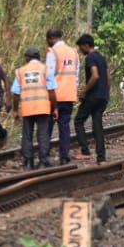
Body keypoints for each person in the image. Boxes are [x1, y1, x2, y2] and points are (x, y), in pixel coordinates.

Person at [11, 47, 53, 168]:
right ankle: (43, 162)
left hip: (27, 108)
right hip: (43, 107)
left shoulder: (21, 71)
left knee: (27, 135)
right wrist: (54, 107)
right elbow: (52, 92)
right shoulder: (46, 69)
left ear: (27, 58)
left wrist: (15, 110)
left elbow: (16, 93)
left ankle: (28, 162)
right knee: (43, 135)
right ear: (39, 58)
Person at [45, 27, 80, 164]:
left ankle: (45, 157)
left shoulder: (52, 52)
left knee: (47, 127)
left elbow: (49, 76)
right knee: (64, 127)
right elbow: (76, 76)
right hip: (69, 95)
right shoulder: (74, 52)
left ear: (51, 38)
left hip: (54, 96)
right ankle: (64, 157)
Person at [74, 34, 109, 163]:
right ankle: (101, 156)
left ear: (86, 46)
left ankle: (85, 151)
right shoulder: (102, 57)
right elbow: (107, 78)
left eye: (81, 47)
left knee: (78, 121)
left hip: (93, 96)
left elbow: (95, 76)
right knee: (97, 125)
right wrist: (105, 92)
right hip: (103, 96)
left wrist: (84, 91)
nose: (81, 50)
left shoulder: (91, 58)